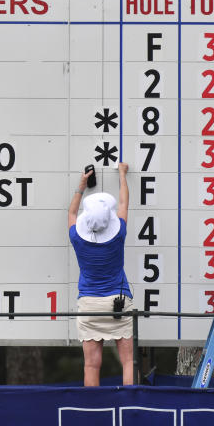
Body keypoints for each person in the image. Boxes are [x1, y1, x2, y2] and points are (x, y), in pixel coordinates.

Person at [68, 162, 134, 386]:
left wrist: (81, 185)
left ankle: (92, 410)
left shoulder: (77, 238)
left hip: (88, 305)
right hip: (118, 302)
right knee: (127, 362)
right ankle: (130, 405)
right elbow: (124, 202)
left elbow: (71, 213)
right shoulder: (119, 235)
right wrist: (122, 175)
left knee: (91, 365)